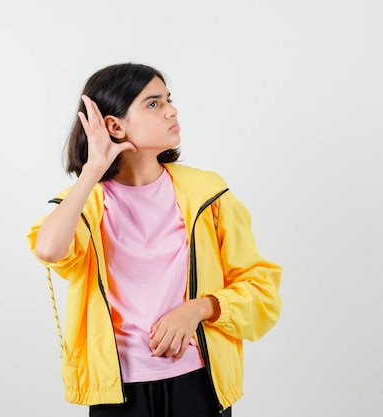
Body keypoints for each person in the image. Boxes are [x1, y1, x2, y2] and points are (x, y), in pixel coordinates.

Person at [26, 62, 282, 417]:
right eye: (153, 103)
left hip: (199, 381)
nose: (171, 110)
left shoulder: (209, 194)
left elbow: (260, 288)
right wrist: (93, 170)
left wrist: (195, 309)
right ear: (114, 125)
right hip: (116, 389)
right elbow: (49, 250)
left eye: (168, 100)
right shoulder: (86, 206)